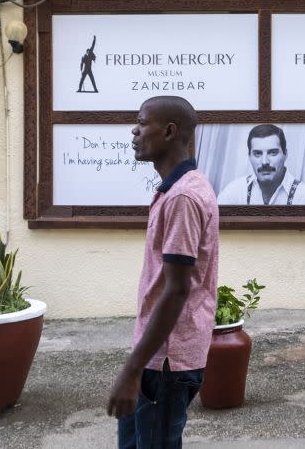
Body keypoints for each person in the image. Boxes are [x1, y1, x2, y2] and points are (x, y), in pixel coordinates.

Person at [107, 96, 219, 448]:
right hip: (155, 356)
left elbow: (176, 290)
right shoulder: (173, 190)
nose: (134, 131)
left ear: (169, 132)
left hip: (167, 362)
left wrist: (131, 371)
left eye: (142, 123)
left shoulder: (183, 198)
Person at [216, 124, 305, 205]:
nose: (264, 162)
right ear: (249, 156)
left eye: (272, 152)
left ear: (285, 154)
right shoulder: (233, 192)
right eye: (257, 153)